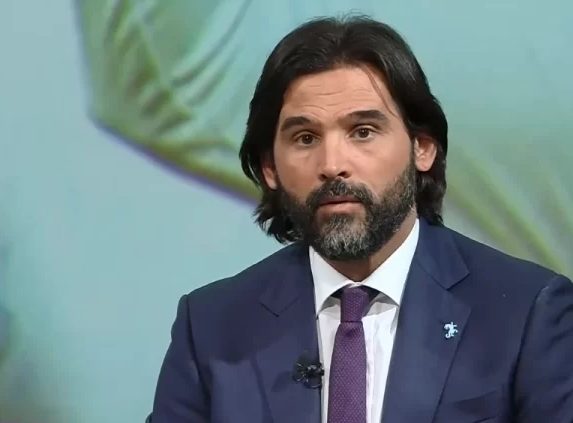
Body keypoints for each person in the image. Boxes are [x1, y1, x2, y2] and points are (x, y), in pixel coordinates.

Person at [149, 15, 573, 423]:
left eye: (363, 131)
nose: (332, 164)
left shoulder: (526, 312)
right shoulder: (211, 326)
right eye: (305, 138)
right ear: (270, 168)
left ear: (422, 148)